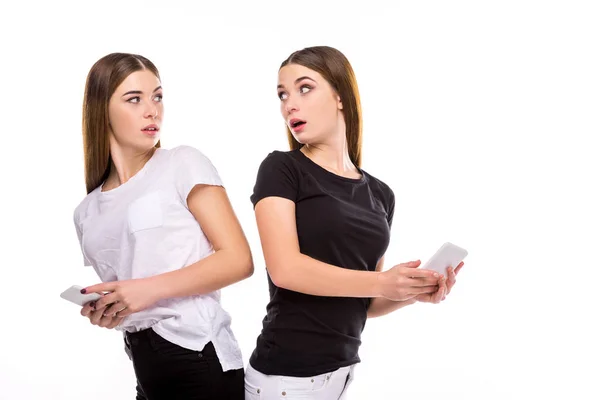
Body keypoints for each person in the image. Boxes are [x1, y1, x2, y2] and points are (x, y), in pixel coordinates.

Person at [244, 46, 464, 399]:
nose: (289, 105)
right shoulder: (282, 170)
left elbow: (367, 301)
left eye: (304, 88)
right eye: (282, 94)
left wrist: (411, 292)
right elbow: (285, 270)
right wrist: (382, 281)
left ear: (340, 96)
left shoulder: (381, 194)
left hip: (340, 377)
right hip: (285, 379)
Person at [72, 52, 253, 399]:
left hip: (200, 359)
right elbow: (130, 297)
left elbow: (238, 260)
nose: (152, 110)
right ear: (101, 109)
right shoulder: (87, 211)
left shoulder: (182, 163)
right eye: (134, 99)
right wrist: (111, 312)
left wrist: (145, 291)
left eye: (157, 96)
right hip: (145, 369)